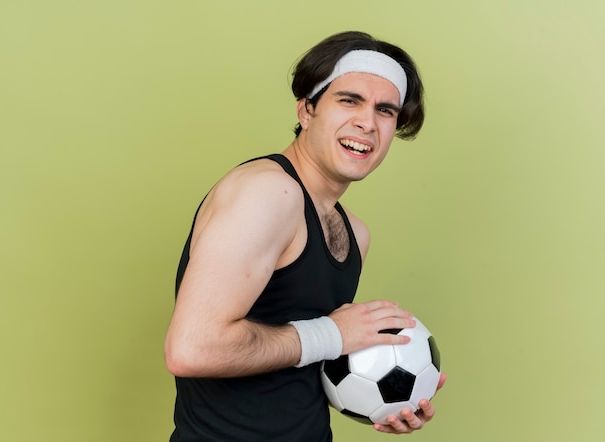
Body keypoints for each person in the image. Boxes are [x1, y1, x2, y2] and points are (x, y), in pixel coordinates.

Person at [164, 30, 446, 441]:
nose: (367, 122)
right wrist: (334, 334)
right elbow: (193, 349)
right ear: (306, 111)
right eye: (349, 100)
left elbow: (301, 361)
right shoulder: (267, 193)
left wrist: (388, 398)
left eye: (385, 110)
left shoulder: (355, 232)